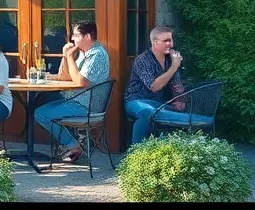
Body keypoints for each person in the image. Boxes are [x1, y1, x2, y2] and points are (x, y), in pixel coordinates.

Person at [33, 21, 111, 163]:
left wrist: (70, 57)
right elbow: (65, 77)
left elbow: (80, 82)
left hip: (86, 106)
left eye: (76, 35)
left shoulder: (97, 54)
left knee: (40, 113)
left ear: (87, 36)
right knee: (43, 100)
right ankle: (69, 145)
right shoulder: (83, 53)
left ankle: (73, 145)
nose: (72, 39)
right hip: (75, 100)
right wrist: (65, 55)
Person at [124, 26, 186, 147]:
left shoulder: (171, 59)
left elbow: (177, 84)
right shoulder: (142, 60)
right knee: (146, 112)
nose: (170, 44)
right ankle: (136, 152)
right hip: (136, 100)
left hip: (159, 103)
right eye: (165, 41)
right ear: (155, 42)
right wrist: (174, 67)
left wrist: (180, 100)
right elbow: (154, 86)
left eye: (171, 40)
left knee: (184, 114)